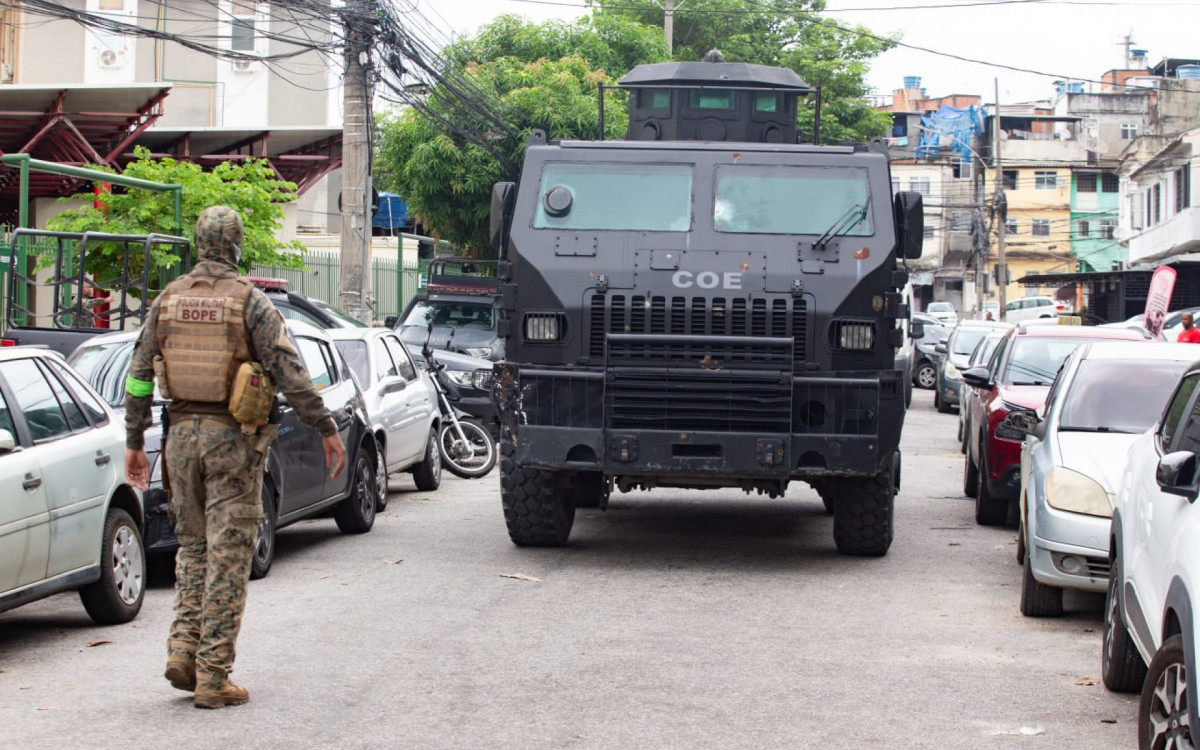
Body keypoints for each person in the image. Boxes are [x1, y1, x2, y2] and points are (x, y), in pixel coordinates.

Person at [124, 206, 347, 709]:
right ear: (237, 248)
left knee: (192, 548)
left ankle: (183, 650)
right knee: (229, 555)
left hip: (180, 440)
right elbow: (291, 373)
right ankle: (213, 675)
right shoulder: (251, 303)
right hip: (232, 442)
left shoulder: (167, 299)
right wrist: (326, 428)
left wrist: (134, 439)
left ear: (197, 244)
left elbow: (138, 376)